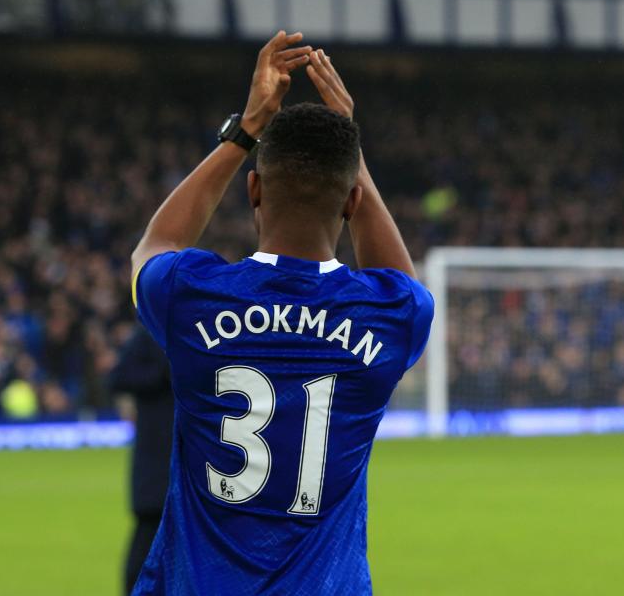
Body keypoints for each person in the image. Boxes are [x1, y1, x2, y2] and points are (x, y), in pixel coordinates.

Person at [129, 31, 434, 595]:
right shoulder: (389, 315)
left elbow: (154, 245)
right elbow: (402, 282)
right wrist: (352, 152)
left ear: (253, 191)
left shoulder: (191, 295)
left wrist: (243, 131)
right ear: (352, 202)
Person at [107, 325, 174, 595]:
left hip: (175, 452)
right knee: (148, 531)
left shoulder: (162, 329)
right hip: (156, 456)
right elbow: (117, 377)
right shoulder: (153, 333)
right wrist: (160, 374)